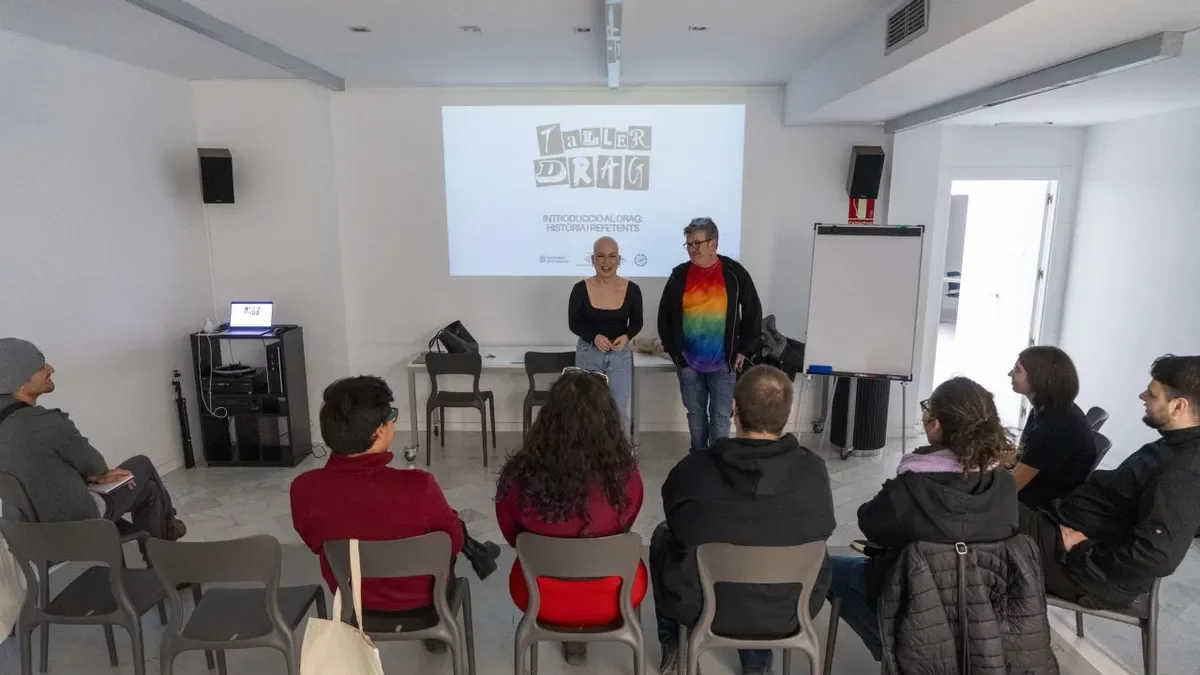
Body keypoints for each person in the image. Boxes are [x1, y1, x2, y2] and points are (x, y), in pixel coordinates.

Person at [652, 365, 835, 675]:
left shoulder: (694, 469)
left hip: (705, 606)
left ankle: (672, 643)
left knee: (661, 537)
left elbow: (677, 522)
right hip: (790, 609)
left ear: (733, 410)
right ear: (787, 414)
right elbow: (824, 527)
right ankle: (756, 665)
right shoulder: (814, 472)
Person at [829, 377, 1018, 662]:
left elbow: (869, 524)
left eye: (928, 407)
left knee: (826, 568)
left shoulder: (910, 487)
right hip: (981, 614)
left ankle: (892, 650)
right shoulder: (1004, 483)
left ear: (936, 425)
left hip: (909, 603)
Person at [1018, 355, 1200, 610]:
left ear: (1178, 407)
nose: (1141, 396)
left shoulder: (1184, 469)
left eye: (1152, 394)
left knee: (982, 512)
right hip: (1065, 534)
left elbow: (1158, 556)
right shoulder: (1173, 445)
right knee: (980, 505)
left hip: (1084, 572)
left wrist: (1084, 550)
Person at [290, 375, 465, 636]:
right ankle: (437, 633)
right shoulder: (419, 486)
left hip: (354, 604)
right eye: (390, 416)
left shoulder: (304, 489)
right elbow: (456, 542)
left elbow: (316, 543)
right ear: (380, 430)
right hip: (425, 603)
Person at [495, 370, 645, 665]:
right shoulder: (626, 477)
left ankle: (571, 639)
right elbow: (625, 526)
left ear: (549, 419)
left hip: (538, 592)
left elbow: (512, 537)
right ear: (608, 421)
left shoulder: (518, 478)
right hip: (614, 592)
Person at [0, 338, 185, 540]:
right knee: (142, 464)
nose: (50, 369)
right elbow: (95, 465)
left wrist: (94, 475)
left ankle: (159, 542)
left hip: (31, 534)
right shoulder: (46, 422)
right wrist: (98, 474)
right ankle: (167, 533)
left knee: (148, 491)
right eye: (40, 366)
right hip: (78, 523)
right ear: (18, 383)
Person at [658, 217, 762, 452]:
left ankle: (719, 463)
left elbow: (753, 311)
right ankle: (698, 461)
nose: (691, 249)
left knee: (721, 416)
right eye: (688, 244)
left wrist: (744, 349)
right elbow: (664, 317)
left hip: (723, 363)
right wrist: (676, 354)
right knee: (695, 415)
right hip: (688, 363)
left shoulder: (734, 273)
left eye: (696, 243)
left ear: (713, 243)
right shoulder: (679, 275)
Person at [569, 236, 644, 434]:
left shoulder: (632, 289)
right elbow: (574, 323)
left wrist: (627, 336)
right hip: (588, 353)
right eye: (600, 256)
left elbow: (637, 322)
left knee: (619, 410)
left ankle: (622, 460)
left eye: (612, 256)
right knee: (587, 410)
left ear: (619, 260)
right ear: (592, 259)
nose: (606, 262)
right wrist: (594, 337)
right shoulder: (580, 289)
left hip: (620, 356)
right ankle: (587, 459)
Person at [1009, 346, 1099, 510]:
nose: (1010, 374)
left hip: (1041, 508)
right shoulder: (1049, 409)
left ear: (1039, 378)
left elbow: (1011, 488)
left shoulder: (1056, 426)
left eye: (1017, 370)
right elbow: (1021, 457)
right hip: (1038, 494)